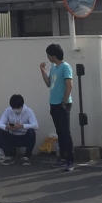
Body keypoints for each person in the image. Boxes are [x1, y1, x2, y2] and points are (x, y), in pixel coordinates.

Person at [40, 43, 76, 172]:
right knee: (59, 132)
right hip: (53, 103)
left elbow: (69, 85)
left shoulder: (65, 67)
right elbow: (49, 83)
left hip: (62, 104)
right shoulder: (54, 68)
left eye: (49, 55)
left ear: (54, 55)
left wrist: (64, 101)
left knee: (66, 132)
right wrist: (42, 71)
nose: (48, 57)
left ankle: (70, 160)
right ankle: (62, 157)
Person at [0, 94, 39, 164]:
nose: (16, 110)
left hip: (24, 137)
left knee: (31, 132)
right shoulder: (8, 110)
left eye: (18, 108)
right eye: (14, 108)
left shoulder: (28, 111)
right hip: (12, 136)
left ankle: (27, 156)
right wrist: (6, 127)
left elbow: (36, 125)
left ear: (22, 106)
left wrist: (22, 126)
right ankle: (9, 155)